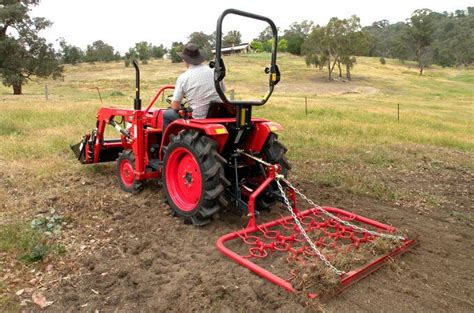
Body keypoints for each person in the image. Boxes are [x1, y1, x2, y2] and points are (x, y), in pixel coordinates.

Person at [162, 43, 224, 130]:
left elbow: (175, 106)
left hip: (198, 119)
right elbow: (222, 91)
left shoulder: (184, 77)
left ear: (185, 60)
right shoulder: (215, 72)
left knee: (167, 115)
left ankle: (165, 143)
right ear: (200, 57)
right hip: (219, 116)